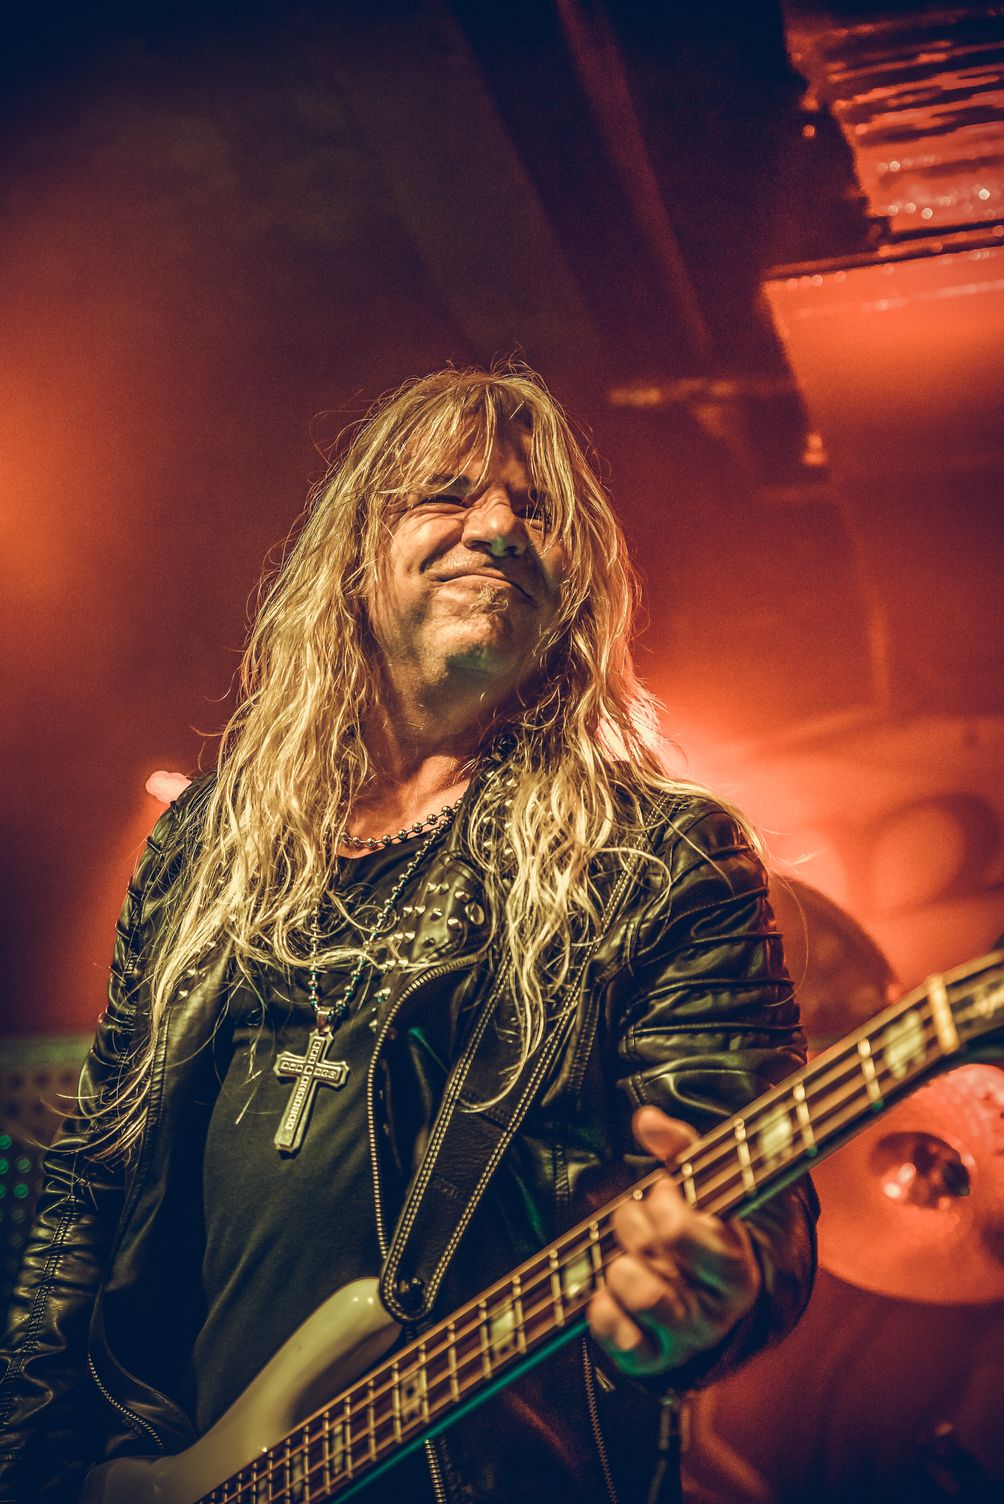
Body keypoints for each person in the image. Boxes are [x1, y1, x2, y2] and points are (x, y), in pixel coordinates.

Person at [0, 367, 816, 1504]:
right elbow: (93, 1185)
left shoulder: (659, 858)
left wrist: (719, 1290)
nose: (497, 526)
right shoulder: (205, 840)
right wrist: (35, 1469)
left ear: (575, 591)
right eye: (445, 494)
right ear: (353, 559)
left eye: (536, 510)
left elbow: (747, 1184)